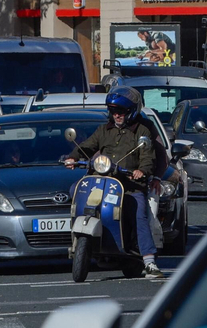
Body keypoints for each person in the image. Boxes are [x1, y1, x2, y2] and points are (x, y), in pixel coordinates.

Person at [63, 86, 164, 279]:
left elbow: (148, 156)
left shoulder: (142, 131)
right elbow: (87, 146)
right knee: (75, 189)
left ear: (131, 111)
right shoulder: (104, 129)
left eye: (121, 112)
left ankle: (149, 261)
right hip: (102, 180)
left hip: (129, 185)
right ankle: (78, 240)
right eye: (113, 111)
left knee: (139, 211)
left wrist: (141, 171)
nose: (117, 115)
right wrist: (73, 157)